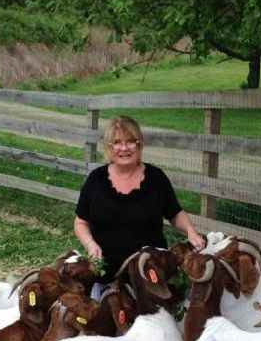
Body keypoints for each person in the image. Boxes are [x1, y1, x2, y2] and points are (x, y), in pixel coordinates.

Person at [74, 116, 205, 287]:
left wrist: (190, 231)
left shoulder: (156, 178)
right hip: (107, 274)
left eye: (130, 142)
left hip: (151, 272)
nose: (124, 148)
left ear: (139, 144)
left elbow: (175, 213)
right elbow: (80, 222)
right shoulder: (96, 180)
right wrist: (91, 245)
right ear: (109, 147)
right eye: (117, 142)